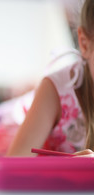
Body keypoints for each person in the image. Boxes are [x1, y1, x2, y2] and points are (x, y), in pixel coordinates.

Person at [7, 0, 94, 157]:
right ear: (85, 44)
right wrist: (71, 170)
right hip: (9, 125)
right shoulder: (56, 89)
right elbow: (14, 165)